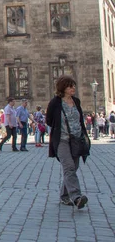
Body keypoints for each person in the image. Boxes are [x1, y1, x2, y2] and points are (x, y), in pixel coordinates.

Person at [46, 75, 90, 209]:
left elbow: (80, 120)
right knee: (69, 167)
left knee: (72, 169)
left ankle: (64, 196)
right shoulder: (55, 103)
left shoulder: (76, 101)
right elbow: (49, 120)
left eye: (74, 85)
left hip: (77, 140)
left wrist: (85, 136)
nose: (73, 88)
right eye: (70, 86)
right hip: (62, 140)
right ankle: (76, 197)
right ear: (63, 88)